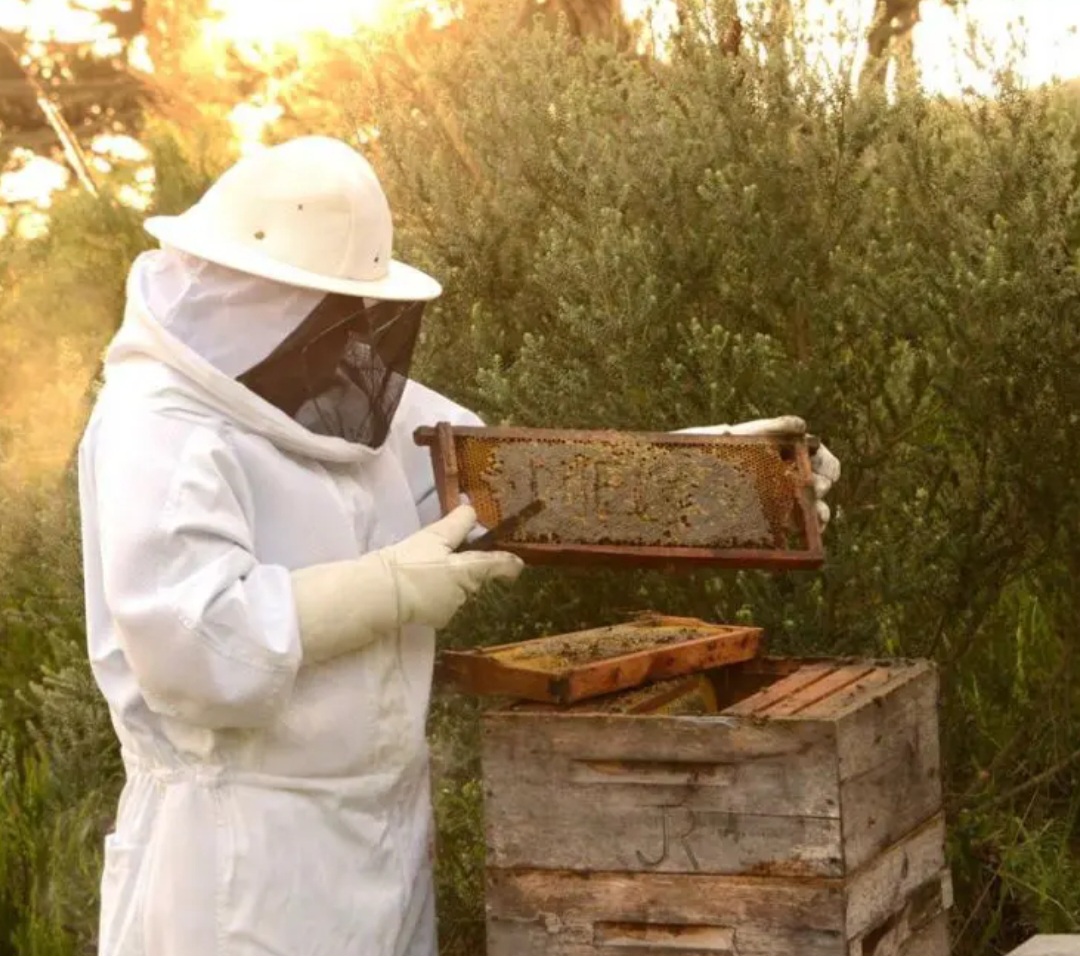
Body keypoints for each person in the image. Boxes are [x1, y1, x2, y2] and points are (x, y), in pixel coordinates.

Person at [77, 135, 840, 956]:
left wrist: (724, 469)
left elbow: (521, 486)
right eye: (323, 316)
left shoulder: (338, 395)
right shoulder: (157, 426)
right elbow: (194, 653)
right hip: (235, 857)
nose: (346, 345)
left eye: (351, 316)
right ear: (252, 301)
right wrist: (392, 589)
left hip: (384, 834)